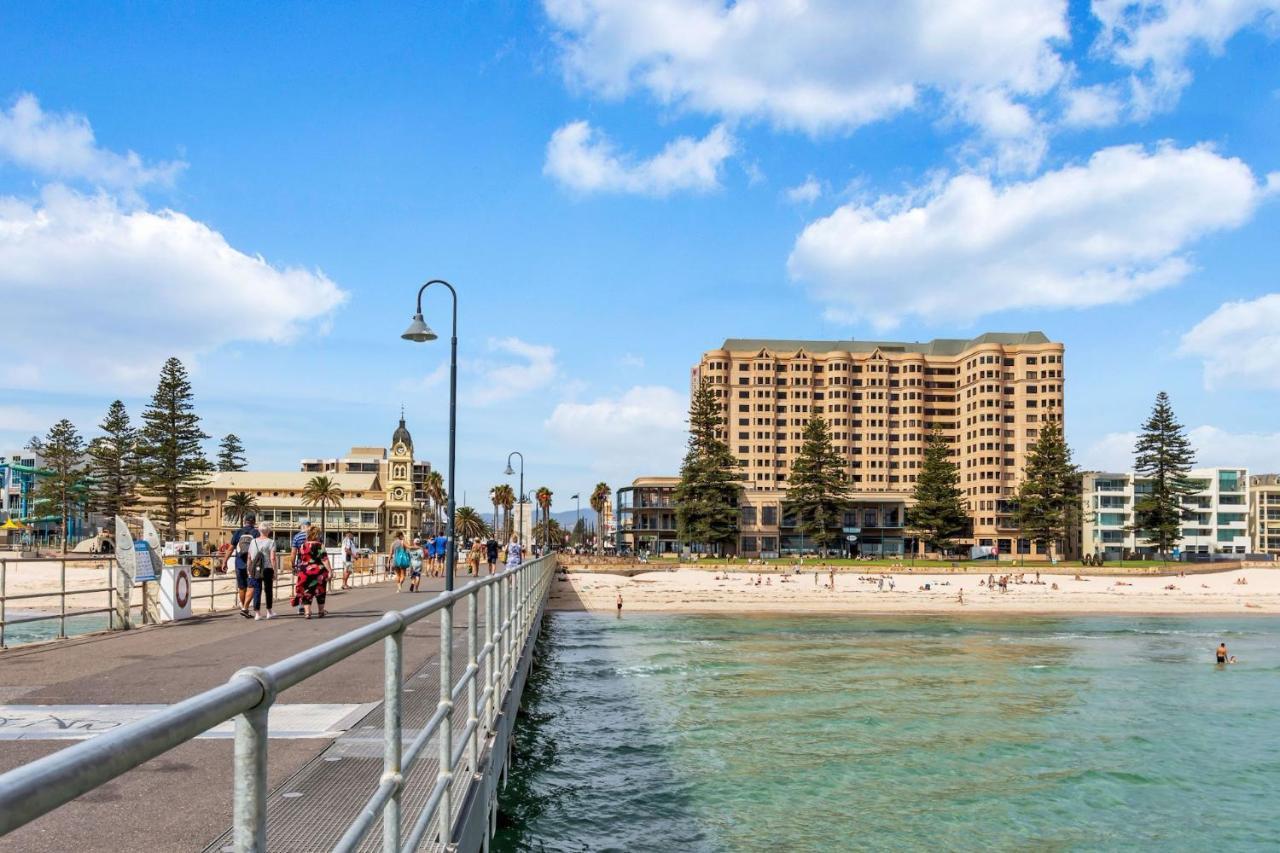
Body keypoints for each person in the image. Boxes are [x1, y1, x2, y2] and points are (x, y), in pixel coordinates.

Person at [292, 526, 331, 618]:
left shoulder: (302, 545)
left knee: (306, 591)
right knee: (320, 591)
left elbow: (302, 558)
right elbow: (324, 559)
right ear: (317, 535)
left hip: (304, 571)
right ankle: (321, 611)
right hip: (319, 572)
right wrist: (330, 571)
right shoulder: (320, 545)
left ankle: (307, 612)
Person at [247, 522, 277, 620]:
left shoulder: (253, 542)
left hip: (256, 569)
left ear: (259, 530)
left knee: (257, 590)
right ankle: (269, 612)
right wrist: (275, 571)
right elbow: (272, 558)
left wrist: (249, 570)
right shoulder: (271, 542)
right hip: (267, 569)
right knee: (268, 590)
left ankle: (257, 614)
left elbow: (249, 557)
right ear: (268, 531)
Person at [231, 514, 259, 618]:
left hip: (239, 563)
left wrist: (224, 561)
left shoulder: (238, 532)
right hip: (251, 564)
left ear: (244, 520)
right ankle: (245, 608)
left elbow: (231, 548)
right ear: (254, 522)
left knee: (241, 587)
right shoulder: (256, 532)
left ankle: (244, 608)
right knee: (252, 586)